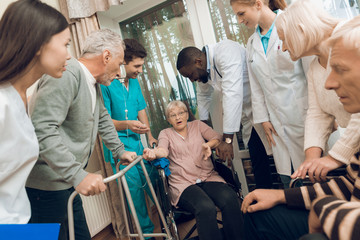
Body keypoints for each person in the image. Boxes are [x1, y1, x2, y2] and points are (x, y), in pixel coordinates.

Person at [241, 15, 360, 240]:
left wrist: (323, 209)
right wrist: (282, 196)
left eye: (341, 69)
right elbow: (350, 185)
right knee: (258, 214)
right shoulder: (315, 67)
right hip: (344, 202)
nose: (329, 83)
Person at [26, 29, 136, 240]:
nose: (120, 72)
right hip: (46, 187)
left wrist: (119, 150)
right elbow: (42, 129)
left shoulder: (91, 83)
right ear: (106, 56)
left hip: (66, 180)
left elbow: (102, 118)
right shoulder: (68, 73)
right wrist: (78, 175)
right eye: (120, 64)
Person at [0, 0, 70, 224]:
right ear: (39, 43)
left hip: (20, 223)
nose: (68, 55)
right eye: (65, 44)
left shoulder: (20, 98)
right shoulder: (3, 102)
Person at [276, 0, 359, 183]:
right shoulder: (314, 67)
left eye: (284, 39)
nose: (283, 47)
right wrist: (311, 159)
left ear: (301, 30)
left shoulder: (350, 39)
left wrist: (334, 158)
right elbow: (317, 114)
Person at [231, 0, 309, 188]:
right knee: (287, 180)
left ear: (258, 4)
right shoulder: (251, 43)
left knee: (313, 182)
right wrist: (263, 119)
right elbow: (256, 86)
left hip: (304, 116)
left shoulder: (291, 26)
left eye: (241, 14)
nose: (240, 20)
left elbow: (310, 74)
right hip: (275, 125)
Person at [176, 40, 273, 189]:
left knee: (278, 158)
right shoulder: (203, 71)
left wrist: (227, 141)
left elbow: (232, 94)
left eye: (190, 75)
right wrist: (202, 128)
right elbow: (203, 97)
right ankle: (266, 202)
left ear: (198, 61)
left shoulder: (226, 52)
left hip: (266, 109)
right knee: (258, 157)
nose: (192, 80)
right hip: (249, 115)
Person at [143, 100, 243, 240]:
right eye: (173, 115)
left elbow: (217, 137)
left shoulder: (198, 125)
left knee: (230, 198)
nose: (178, 117)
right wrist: (153, 153)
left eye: (181, 113)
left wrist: (208, 145)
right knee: (205, 207)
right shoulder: (165, 133)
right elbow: (163, 151)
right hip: (183, 183)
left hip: (208, 176)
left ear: (187, 114)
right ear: (168, 119)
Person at [100, 38, 158, 237]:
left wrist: (149, 135)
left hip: (138, 143)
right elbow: (104, 121)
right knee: (136, 197)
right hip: (119, 147)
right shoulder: (106, 84)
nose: (140, 70)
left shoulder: (134, 82)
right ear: (123, 61)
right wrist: (128, 124)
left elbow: (141, 107)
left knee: (155, 184)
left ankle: (171, 222)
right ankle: (147, 234)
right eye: (137, 65)